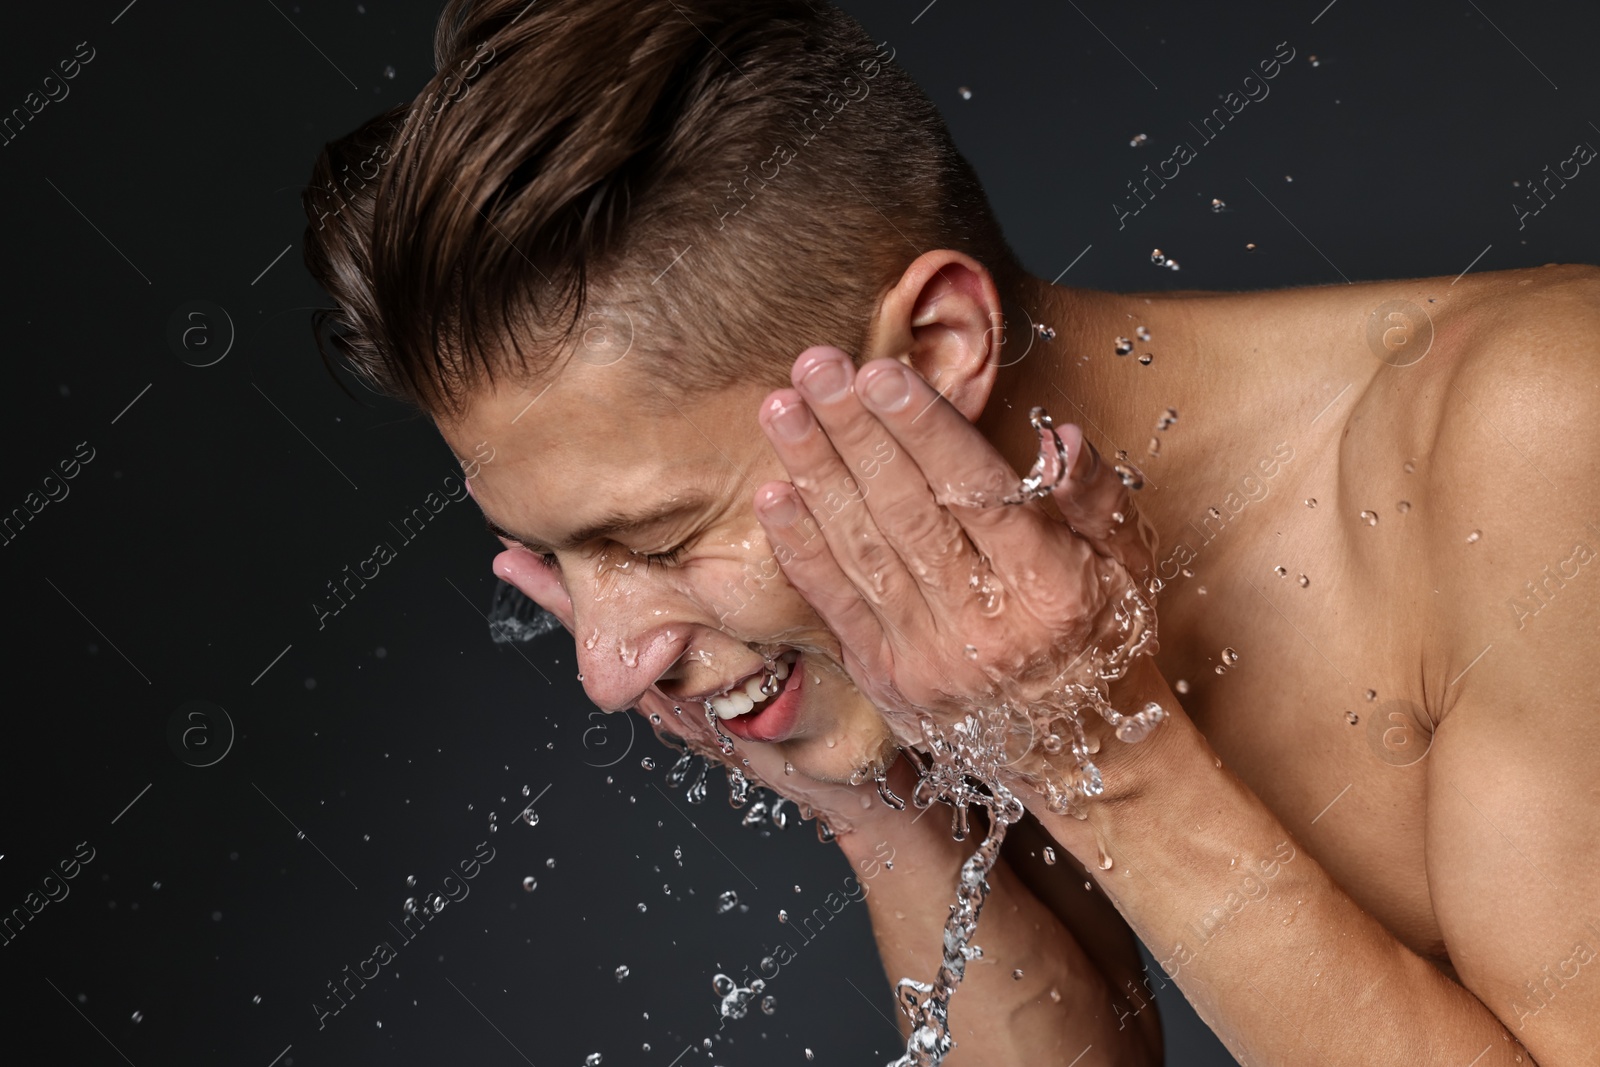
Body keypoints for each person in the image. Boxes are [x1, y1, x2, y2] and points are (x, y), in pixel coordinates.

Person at [300, 0, 1600, 1062]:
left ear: (937, 349)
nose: (605, 663)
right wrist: (876, 801)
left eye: (652, 538)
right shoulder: (981, 602)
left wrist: (1111, 758)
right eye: (563, 560)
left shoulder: (1540, 428)